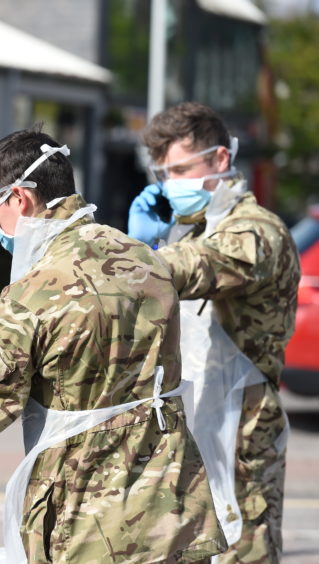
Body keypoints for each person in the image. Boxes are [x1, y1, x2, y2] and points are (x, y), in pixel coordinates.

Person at [0, 126, 225, 563]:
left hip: (92, 527)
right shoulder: (142, 258)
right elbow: (86, 318)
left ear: (19, 199)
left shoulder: (28, 295)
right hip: (176, 509)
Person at [126, 101, 299, 562]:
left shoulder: (257, 232)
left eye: (181, 168)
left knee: (245, 550)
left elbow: (199, 268)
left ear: (221, 160)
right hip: (197, 416)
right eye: (163, 173)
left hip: (242, 430)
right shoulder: (198, 229)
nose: (170, 184)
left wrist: (135, 253)